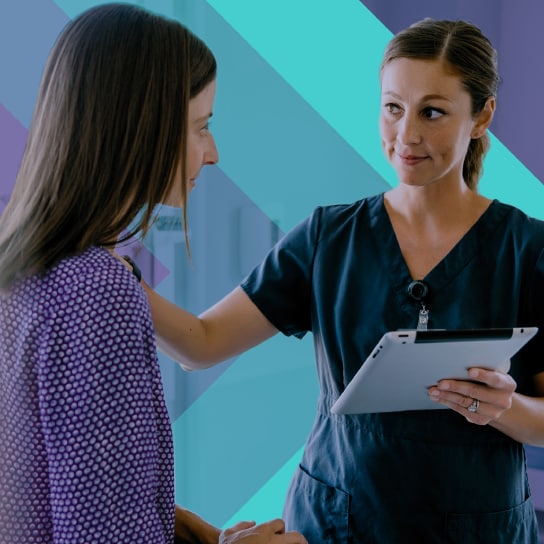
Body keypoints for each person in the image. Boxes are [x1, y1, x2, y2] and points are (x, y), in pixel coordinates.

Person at [143, 18, 544, 543]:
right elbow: (201, 343)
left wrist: (502, 408)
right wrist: (106, 270)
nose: (407, 135)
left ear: (482, 115)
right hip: (336, 522)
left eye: (433, 112)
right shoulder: (328, 237)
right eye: (393, 108)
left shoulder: (527, 249)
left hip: (476, 526)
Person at [0, 4, 307, 544]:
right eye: (201, 127)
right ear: (140, 127)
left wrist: (172, 522)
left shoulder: (22, 270)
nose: (212, 154)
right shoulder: (98, 293)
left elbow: (47, 491)